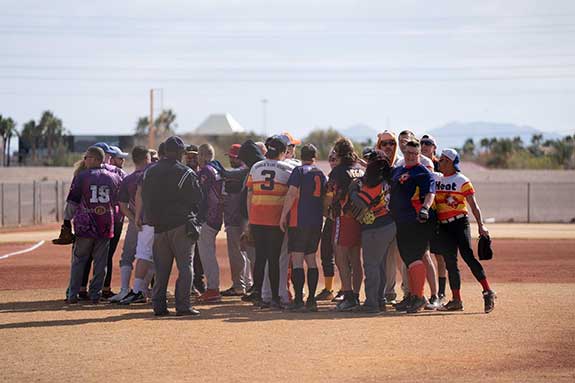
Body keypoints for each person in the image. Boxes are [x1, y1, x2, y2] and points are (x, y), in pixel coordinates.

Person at [141, 136, 203, 316]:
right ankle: (183, 306)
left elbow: (145, 198)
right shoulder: (186, 172)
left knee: (161, 269)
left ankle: (159, 306)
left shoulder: (149, 172)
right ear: (180, 153)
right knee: (185, 267)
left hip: (159, 227)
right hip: (181, 225)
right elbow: (197, 199)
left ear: (164, 151)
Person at [435, 148, 496, 313]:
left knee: (468, 256)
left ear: (452, 163)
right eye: (440, 159)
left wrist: (481, 225)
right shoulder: (436, 178)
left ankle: (488, 291)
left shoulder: (461, 180)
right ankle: (456, 300)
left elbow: (473, 205)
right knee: (450, 263)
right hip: (444, 226)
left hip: (459, 223)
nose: (439, 162)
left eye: (443, 160)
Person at [65, 146, 122, 303]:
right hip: (105, 224)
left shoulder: (82, 177)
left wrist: (66, 221)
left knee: (79, 260)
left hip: (85, 225)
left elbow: (72, 202)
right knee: (101, 262)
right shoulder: (114, 177)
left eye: (88, 157)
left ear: (97, 159)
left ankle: (72, 294)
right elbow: (119, 201)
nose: (85, 160)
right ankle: (95, 295)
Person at [243, 135, 294, 309]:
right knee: (273, 259)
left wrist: (250, 220)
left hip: (257, 218)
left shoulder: (255, 167)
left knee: (260, 259)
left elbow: (249, 194)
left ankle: (258, 296)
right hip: (275, 219)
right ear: (282, 151)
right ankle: (274, 298)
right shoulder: (286, 169)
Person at [390, 138, 436, 313]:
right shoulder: (399, 170)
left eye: (413, 153)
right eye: (407, 153)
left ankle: (419, 297)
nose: (409, 156)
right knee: (407, 259)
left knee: (414, 257)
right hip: (400, 221)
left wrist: (425, 208)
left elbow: (430, 193)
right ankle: (411, 296)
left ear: (419, 154)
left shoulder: (422, 172)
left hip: (416, 221)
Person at [279, 144, 327, 312]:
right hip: (316, 221)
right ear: (315, 156)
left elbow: (292, 193)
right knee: (311, 259)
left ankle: (299, 299)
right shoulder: (321, 173)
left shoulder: (299, 171)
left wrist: (283, 214)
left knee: (298, 259)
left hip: (298, 220)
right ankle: (312, 300)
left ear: (301, 155)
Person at [349, 154, 395, 313]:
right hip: (389, 225)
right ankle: (380, 299)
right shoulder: (387, 180)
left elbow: (361, 202)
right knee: (380, 265)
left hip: (375, 227)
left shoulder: (374, 183)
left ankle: (371, 302)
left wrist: (353, 190)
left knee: (371, 265)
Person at [327, 137, 365, 311]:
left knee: (341, 256)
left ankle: (348, 295)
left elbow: (329, 191)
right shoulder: (359, 169)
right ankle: (355, 295)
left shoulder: (338, 171)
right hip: (360, 218)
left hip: (343, 217)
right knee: (356, 259)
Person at [109, 146, 151, 303]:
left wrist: (133, 219)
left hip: (135, 222)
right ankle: (142, 289)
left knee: (127, 256)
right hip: (152, 222)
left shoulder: (128, 179)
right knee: (151, 256)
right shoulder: (150, 175)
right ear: (146, 159)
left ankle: (124, 290)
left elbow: (122, 204)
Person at [196, 143, 225, 303]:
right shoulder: (218, 168)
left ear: (203, 155)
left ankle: (213, 288)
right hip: (216, 216)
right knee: (208, 252)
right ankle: (213, 287)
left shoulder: (206, 171)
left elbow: (202, 196)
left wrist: (199, 217)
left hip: (209, 217)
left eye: (199, 155)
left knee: (207, 254)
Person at [421, 134, 448, 304]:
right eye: (422, 143)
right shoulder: (417, 165)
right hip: (424, 215)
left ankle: (442, 292)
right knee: (424, 254)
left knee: (440, 255)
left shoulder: (441, 165)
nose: (424, 146)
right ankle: (422, 291)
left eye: (428, 143)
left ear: (434, 148)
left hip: (440, 214)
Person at [221, 144, 250, 296]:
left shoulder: (242, 171)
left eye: (233, 157)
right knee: (245, 253)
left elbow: (225, 174)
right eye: (230, 157)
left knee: (237, 253)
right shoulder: (244, 171)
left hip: (236, 219)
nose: (231, 159)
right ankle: (246, 283)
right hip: (240, 218)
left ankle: (239, 285)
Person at [315, 150, 338, 301]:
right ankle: (329, 288)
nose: (332, 161)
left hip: (343, 220)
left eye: (335, 158)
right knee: (326, 253)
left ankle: (345, 289)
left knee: (345, 256)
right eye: (330, 158)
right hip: (330, 220)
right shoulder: (329, 179)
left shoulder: (344, 176)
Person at [184, 144, 206, 295]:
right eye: (189, 156)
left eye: (194, 156)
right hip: (186, 218)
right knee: (187, 253)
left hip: (202, 218)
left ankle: (199, 282)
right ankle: (189, 285)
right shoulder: (182, 172)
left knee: (200, 253)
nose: (191, 158)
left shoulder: (204, 174)